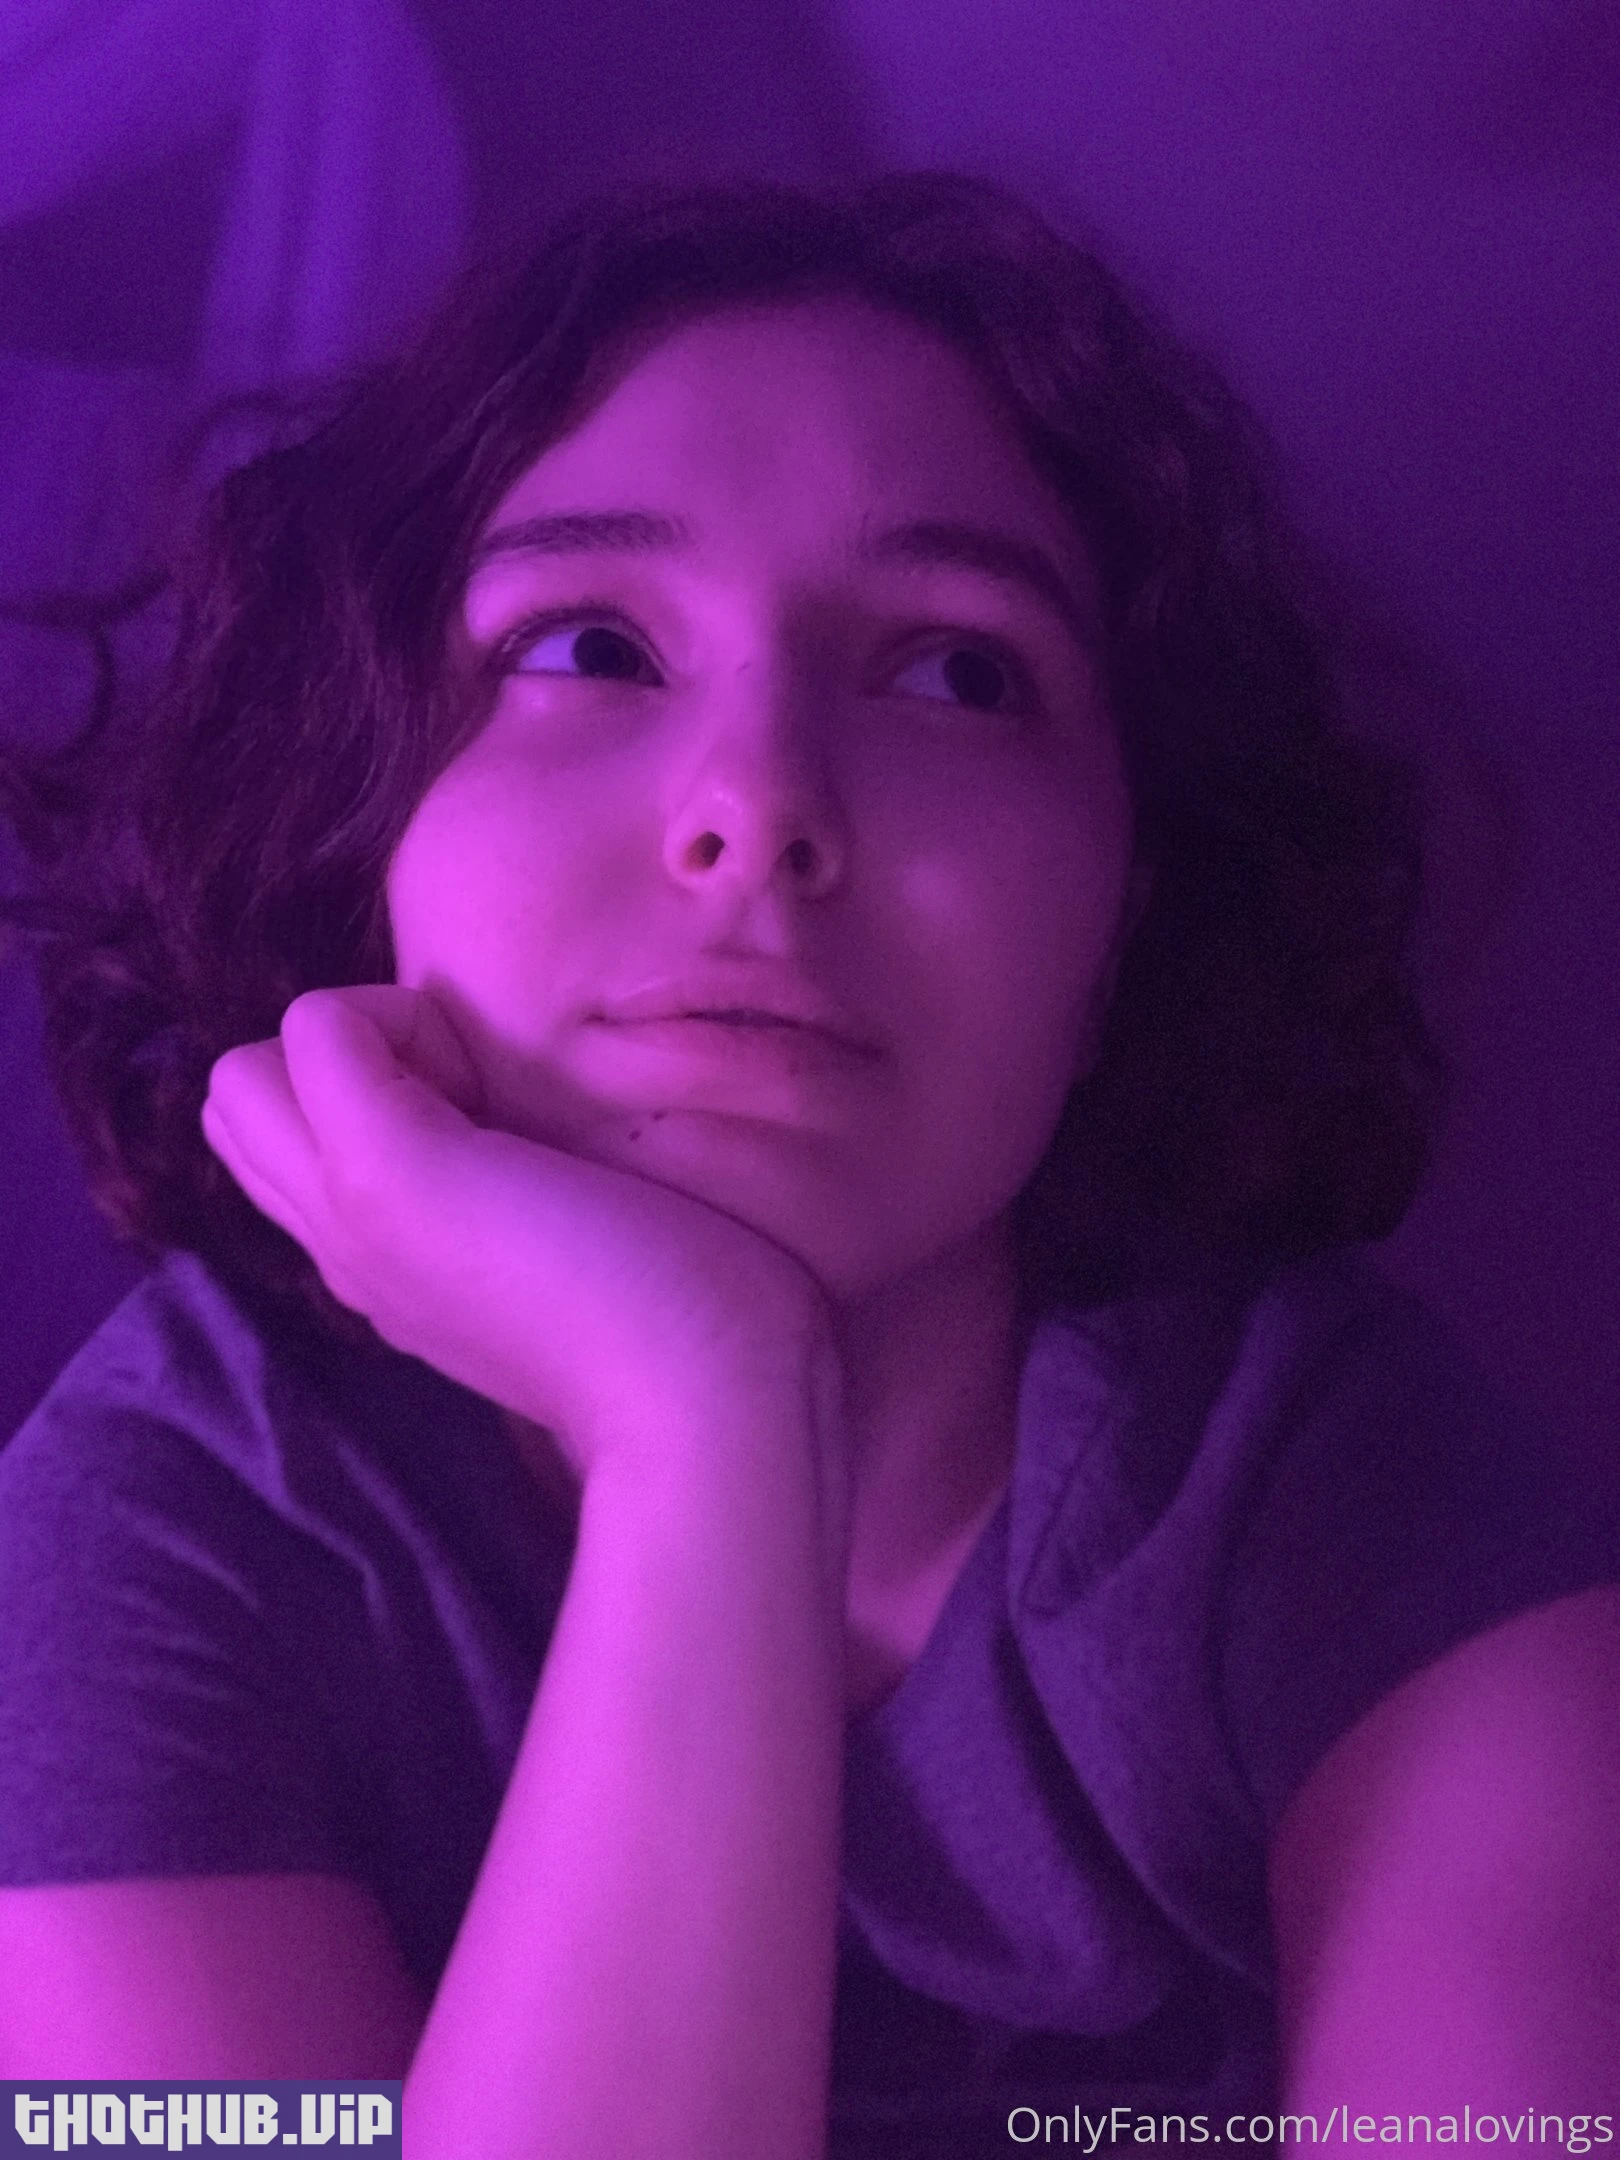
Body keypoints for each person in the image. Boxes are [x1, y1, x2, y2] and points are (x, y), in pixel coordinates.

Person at [0, 171, 1615, 2157]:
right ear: (363, 817)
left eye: (956, 672)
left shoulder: (1365, 1520)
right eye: (591, 645)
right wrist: (705, 1411)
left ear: (1125, 909)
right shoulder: (163, 1530)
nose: (758, 803)